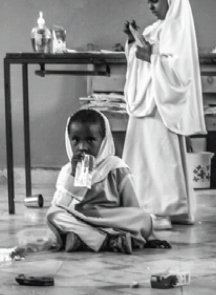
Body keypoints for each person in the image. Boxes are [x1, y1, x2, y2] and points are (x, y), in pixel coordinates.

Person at [122, 0, 205, 229]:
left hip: (162, 106)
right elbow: (142, 55)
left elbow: (179, 71)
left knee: (162, 158)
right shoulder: (155, 28)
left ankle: (167, 207)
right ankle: (143, 205)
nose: (150, 6)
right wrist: (133, 42)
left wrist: (150, 56)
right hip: (147, 102)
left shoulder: (178, 30)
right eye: (147, 0)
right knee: (144, 157)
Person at [46, 108, 165, 253]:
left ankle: (84, 239)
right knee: (54, 214)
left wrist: (148, 234)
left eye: (90, 140)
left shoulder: (116, 167)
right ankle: (107, 241)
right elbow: (61, 205)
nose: (82, 147)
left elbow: (132, 207)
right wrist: (73, 174)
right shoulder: (68, 170)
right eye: (76, 140)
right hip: (82, 217)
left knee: (143, 218)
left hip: (111, 219)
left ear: (103, 141)